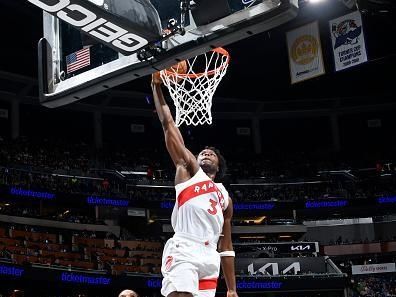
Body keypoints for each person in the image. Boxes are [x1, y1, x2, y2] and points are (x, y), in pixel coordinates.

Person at [151, 71, 238, 297]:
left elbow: (226, 246)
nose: (207, 153)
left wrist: (231, 288)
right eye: (203, 152)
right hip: (185, 247)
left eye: (212, 154)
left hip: (210, 257)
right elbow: (167, 123)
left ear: (219, 167)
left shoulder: (225, 198)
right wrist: (156, 87)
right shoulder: (188, 171)